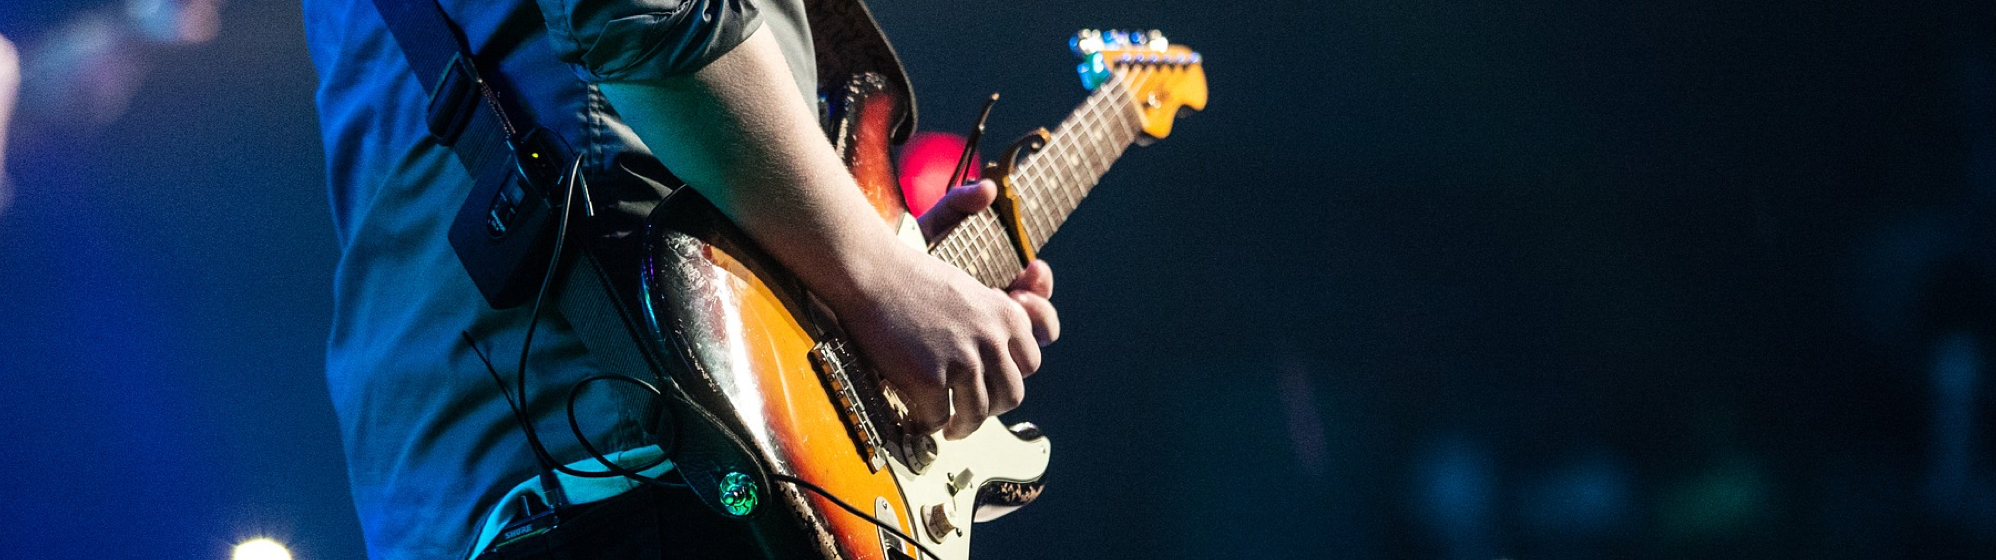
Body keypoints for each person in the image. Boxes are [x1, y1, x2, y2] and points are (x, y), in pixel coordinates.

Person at [303, 1, 1061, 558]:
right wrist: (881, 279)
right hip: (642, 469)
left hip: (495, 483)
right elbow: (642, 14)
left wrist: (855, 292)